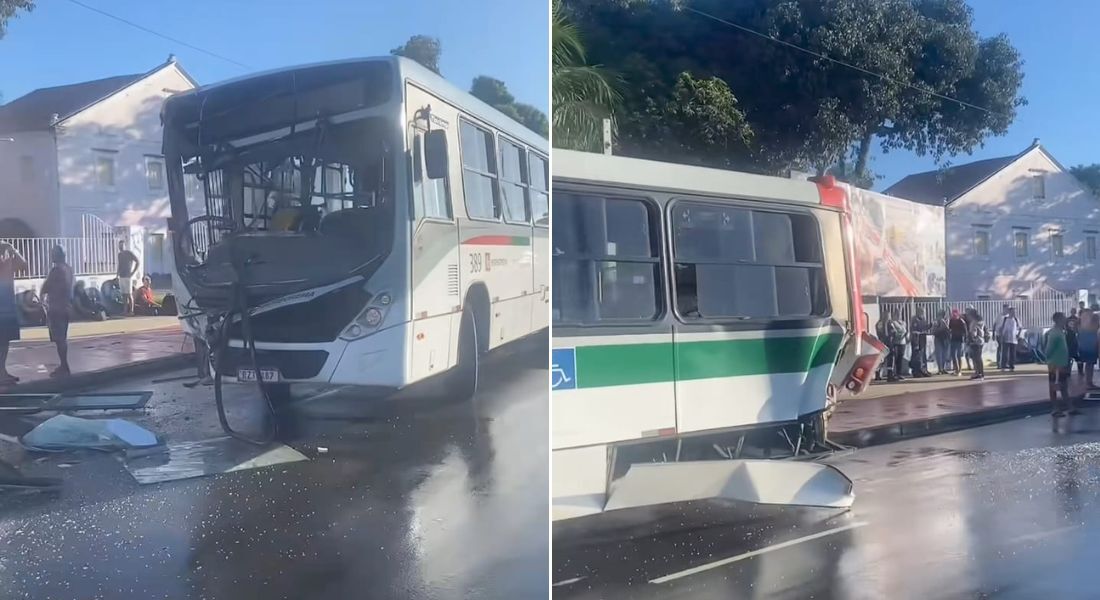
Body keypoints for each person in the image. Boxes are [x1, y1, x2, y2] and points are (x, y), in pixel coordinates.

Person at [40, 245, 74, 377]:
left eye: (53, 253)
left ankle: (64, 365)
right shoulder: (68, 269)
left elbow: (48, 285)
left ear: (59, 255)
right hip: (65, 307)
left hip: (57, 307)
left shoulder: (57, 270)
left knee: (59, 338)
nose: (51, 256)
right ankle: (64, 365)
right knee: (62, 338)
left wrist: (44, 295)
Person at [0, 241, 27, 385]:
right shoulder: (5, 263)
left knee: (4, 341)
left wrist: (13, 251)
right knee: (3, 341)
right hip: (3, 307)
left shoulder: (8, 260)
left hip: (6, 306)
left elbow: (24, 266)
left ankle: (2, 372)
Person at [1044, 312, 1077, 417]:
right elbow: (1048, 350)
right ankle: (1055, 409)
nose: (1065, 321)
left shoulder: (1061, 332)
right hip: (1055, 365)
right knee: (1054, 386)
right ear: (1058, 320)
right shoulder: (1054, 333)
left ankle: (1070, 407)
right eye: (1063, 319)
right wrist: (1050, 360)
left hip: (1062, 364)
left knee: (1063, 386)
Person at [115, 240, 139, 316]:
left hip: (128, 276)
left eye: (122, 246)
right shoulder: (119, 255)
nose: (121, 247)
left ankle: (131, 311)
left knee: (129, 294)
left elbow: (137, 262)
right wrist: (117, 275)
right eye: (119, 246)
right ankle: (125, 310)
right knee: (123, 294)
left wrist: (133, 272)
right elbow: (119, 265)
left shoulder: (129, 253)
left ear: (125, 246)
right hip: (121, 276)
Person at [886, 310, 908, 382]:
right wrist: (899, 335)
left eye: (899, 314)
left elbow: (905, 331)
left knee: (900, 358)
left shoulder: (903, 323)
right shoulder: (892, 322)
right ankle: (893, 374)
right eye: (897, 314)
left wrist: (906, 337)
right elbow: (894, 332)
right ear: (894, 315)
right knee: (895, 358)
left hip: (903, 342)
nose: (899, 315)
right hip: (896, 342)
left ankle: (899, 373)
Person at [996, 306, 1021, 372]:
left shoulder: (1016, 319)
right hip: (1005, 338)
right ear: (1009, 312)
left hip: (1013, 339)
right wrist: (1001, 335)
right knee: (1005, 353)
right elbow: (1000, 328)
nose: (1014, 313)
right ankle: (1003, 366)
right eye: (1012, 312)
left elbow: (1020, 327)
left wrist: (1018, 335)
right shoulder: (1005, 319)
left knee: (1012, 353)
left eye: (1014, 312)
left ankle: (1011, 366)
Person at [1079, 312, 1100, 388]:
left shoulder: (1086, 328)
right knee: (1090, 365)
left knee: (1089, 365)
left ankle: (1088, 381)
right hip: (1090, 349)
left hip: (1087, 349)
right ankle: (1089, 382)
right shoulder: (1092, 329)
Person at [966, 307, 987, 380]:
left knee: (976, 358)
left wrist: (970, 339)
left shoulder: (974, 322)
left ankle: (978, 373)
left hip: (975, 341)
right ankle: (980, 373)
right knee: (978, 358)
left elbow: (973, 333)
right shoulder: (980, 321)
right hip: (980, 340)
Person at [909, 308, 931, 377]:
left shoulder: (923, 319)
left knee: (923, 355)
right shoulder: (915, 319)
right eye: (922, 312)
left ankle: (923, 370)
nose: (924, 313)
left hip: (922, 339)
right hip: (916, 339)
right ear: (919, 312)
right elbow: (914, 330)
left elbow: (924, 327)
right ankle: (916, 371)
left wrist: (930, 325)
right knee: (916, 356)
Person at [948, 308, 967, 376]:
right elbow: (949, 328)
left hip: (960, 339)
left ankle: (959, 370)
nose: (954, 314)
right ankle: (956, 369)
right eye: (953, 313)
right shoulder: (951, 320)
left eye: (955, 313)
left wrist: (965, 338)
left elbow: (965, 330)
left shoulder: (961, 321)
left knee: (959, 355)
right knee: (953, 355)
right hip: (953, 339)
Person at [932, 309, 951, 375]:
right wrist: (941, 327)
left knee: (944, 354)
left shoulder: (946, 320)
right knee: (939, 354)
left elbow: (948, 328)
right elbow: (934, 331)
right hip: (938, 338)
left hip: (945, 338)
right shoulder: (936, 321)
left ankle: (943, 368)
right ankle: (940, 369)